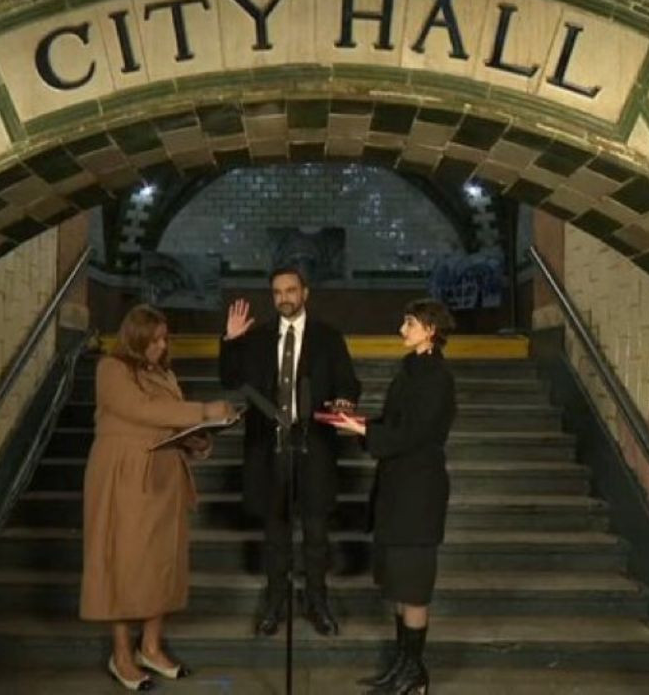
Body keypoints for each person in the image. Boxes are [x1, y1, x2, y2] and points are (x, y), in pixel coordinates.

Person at [80, 304, 237, 691]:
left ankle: (150, 646)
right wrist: (203, 410)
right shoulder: (111, 368)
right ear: (135, 339)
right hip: (124, 475)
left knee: (162, 562)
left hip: (164, 478)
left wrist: (197, 440)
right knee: (122, 561)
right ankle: (121, 654)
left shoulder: (165, 373)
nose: (162, 346)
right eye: (154, 340)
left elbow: (169, 421)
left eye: (164, 339)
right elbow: (141, 409)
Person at [219, 265, 361, 637]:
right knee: (275, 534)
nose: (284, 298)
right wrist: (232, 340)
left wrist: (345, 400)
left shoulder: (328, 337)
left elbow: (348, 382)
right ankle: (275, 603)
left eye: (291, 290)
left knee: (316, 534)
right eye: (278, 292)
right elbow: (230, 380)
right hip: (270, 450)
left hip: (314, 447)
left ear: (305, 293)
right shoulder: (257, 337)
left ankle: (318, 603)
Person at [330, 299, 457, 695]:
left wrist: (366, 431)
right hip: (399, 490)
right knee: (401, 584)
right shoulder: (411, 370)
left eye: (410, 323)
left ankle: (414, 673)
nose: (402, 329)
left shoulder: (437, 378)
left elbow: (413, 434)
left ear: (430, 330)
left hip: (418, 494)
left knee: (414, 588)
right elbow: (394, 423)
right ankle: (403, 667)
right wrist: (358, 423)